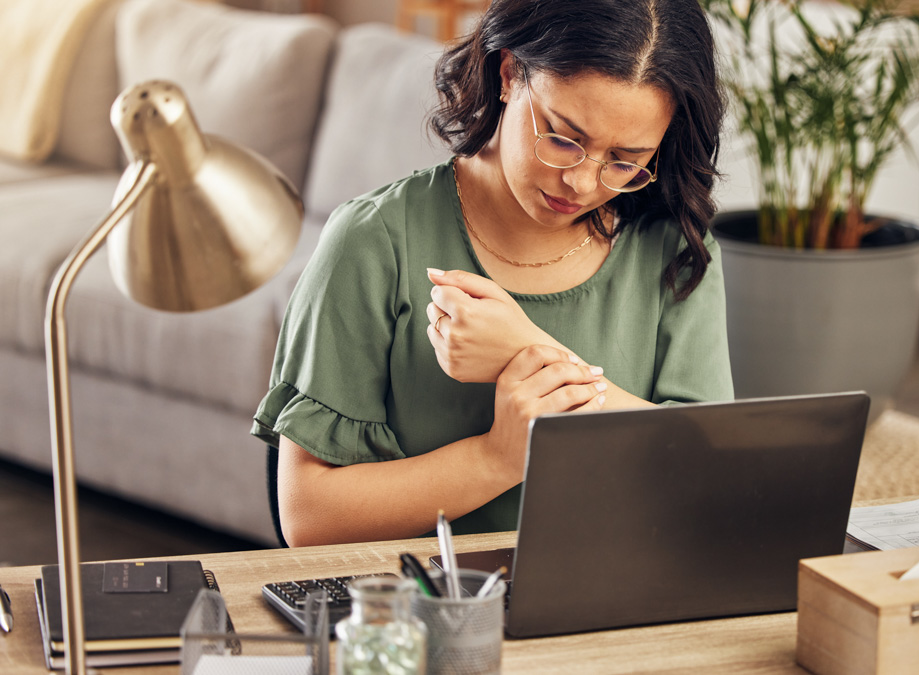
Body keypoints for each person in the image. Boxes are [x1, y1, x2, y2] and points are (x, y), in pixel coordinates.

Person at [252, 0, 733, 546]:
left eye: (625, 159)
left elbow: (708, 475)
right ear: (508, 74)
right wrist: (498, 456)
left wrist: (524, 350)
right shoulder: (373, 242)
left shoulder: (676, 250)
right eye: (563, 136)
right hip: (435, 613)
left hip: (621, 608)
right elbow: (310, 518)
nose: (581, 181)